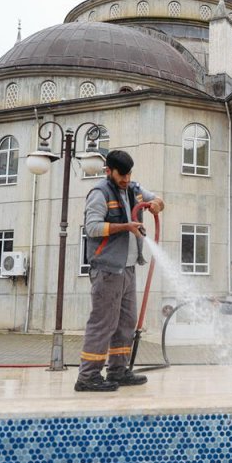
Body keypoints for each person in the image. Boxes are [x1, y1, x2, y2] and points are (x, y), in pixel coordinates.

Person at [75, 149, 164, 392]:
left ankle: (118, 370)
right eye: (121, 174)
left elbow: (158, 200)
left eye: (128, 174)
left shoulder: (134, 189)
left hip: (127, 269)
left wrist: (156, 204)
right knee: (104, 323)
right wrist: (125, 226)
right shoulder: (99, 194)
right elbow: (92, 228)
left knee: (126, 323)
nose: (125, 179)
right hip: (107, 269)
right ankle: (88, 376)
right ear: (109, 171)